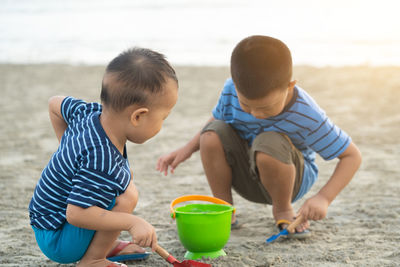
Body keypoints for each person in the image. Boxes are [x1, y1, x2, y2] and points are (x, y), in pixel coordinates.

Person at [156, 35, 361, 237]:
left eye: (265, 107)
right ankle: (225, 209)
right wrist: (187, 149)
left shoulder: (307, 113)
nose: (255, 114)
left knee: (268, 140)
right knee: (210, 134)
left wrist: (324, 198)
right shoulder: (230, 90)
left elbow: (352, 156)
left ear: (290, 86)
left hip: (291, 180)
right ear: (235, 85)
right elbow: (216, 120)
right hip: (247, 174)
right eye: (246, 105)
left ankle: (282, 210)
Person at [29, 47, 178, 267]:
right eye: (163, 117)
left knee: (121, 183)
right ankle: (94, 259)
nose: (162, 125)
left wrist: (68, 155)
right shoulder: (101, 160)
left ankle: (104, 244)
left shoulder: (88, 112)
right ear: (138, 116)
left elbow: (54, 104)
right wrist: (132, 222)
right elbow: (76, 215)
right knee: (127, 196)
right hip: (58, 237)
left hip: (46, 221)